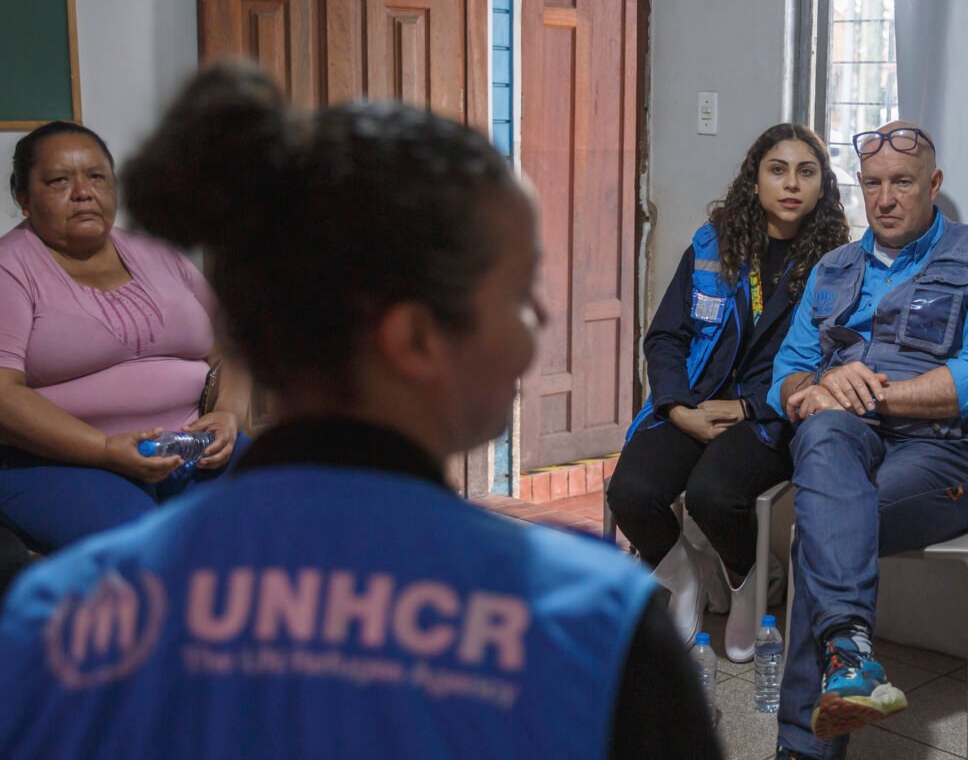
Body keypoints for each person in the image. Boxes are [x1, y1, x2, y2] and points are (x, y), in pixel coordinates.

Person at [0, 62, 718, 760]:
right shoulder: (593, 621)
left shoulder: (56, 625)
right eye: (517, 291)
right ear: (414, 338)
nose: (536, 316)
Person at [768, 121, 968, 757]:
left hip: (949, 456)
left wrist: (868, 391)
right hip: (847, 445)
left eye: (903, 183)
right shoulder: (833, 267)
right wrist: (820, 388)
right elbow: (786, 377)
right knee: (825, 430)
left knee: (823, 526)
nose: (885, 199)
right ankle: (851, 652)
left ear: (933, 184)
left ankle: (803, 748)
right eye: (873, 184)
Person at [608, 123, 849, 661]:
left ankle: (748, 581)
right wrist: (675, 407)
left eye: (806, 172)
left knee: (714, 496)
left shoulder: (838, 265)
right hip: (693, 402)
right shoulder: (714, 244)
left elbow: (828, 364)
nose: (791, 184)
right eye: (777, 170)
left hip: (770, 415)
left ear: (822, 187)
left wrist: (747, 407)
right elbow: (667, 335)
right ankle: (683, 576)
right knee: (631, 492)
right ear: (755, 180)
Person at [0, 121, 247, 556]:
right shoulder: (11, 269)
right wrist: (104, 449)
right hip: (61, 462)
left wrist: (228, 413)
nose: (82, 192)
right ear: (23, 197)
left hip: (191, 447)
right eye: (59, 180)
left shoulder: (159, 254)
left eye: (96, 176)